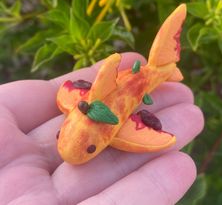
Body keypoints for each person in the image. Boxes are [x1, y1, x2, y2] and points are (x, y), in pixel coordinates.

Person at [0, 53, 204, 205]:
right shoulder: (74, 103)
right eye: (60, 134)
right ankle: (163, 67)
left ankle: (164, 68)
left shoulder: (81, 107)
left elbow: (67, 89)